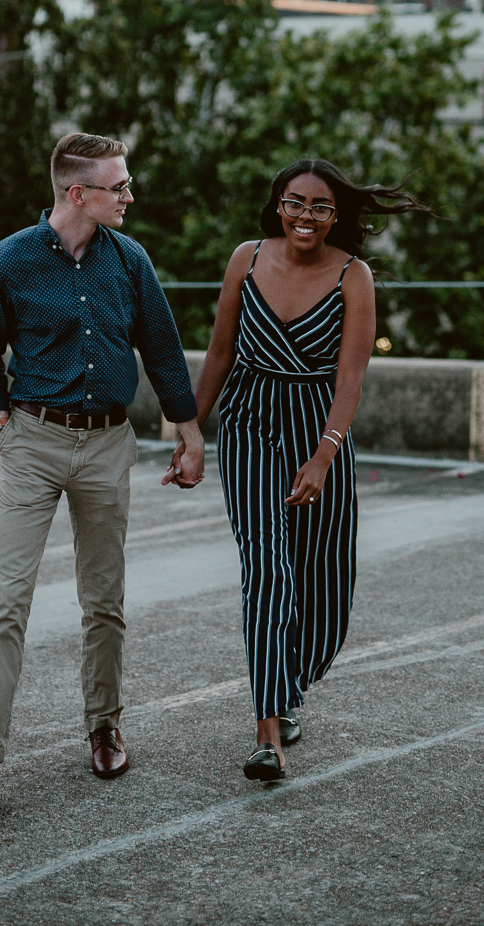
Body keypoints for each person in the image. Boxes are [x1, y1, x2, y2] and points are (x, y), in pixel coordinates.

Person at [0, 132, 204, 804]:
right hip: (32, 441)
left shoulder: (130, 261)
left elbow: (163, 349)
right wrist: (0, 423)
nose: (130, 195)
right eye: (118, 186)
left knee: (104, 601)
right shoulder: (7, 261)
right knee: (7, 600)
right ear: (78, 193)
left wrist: (190, 434)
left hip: (106, 444)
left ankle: (104, 727)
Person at [193, 158, 427, 781]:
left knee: (322, 582)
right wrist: (190, 428)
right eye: (295, 203)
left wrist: (325, 454)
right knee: (265, 568)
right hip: (248, 421)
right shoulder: (245, 258)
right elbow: (219, 350)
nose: (306, 216)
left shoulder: (354, 276)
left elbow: (351, 376)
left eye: (321, 207)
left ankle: (289, 681)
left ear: (335, 217)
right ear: (277, 205)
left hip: (316, 429)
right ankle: (268, 734)